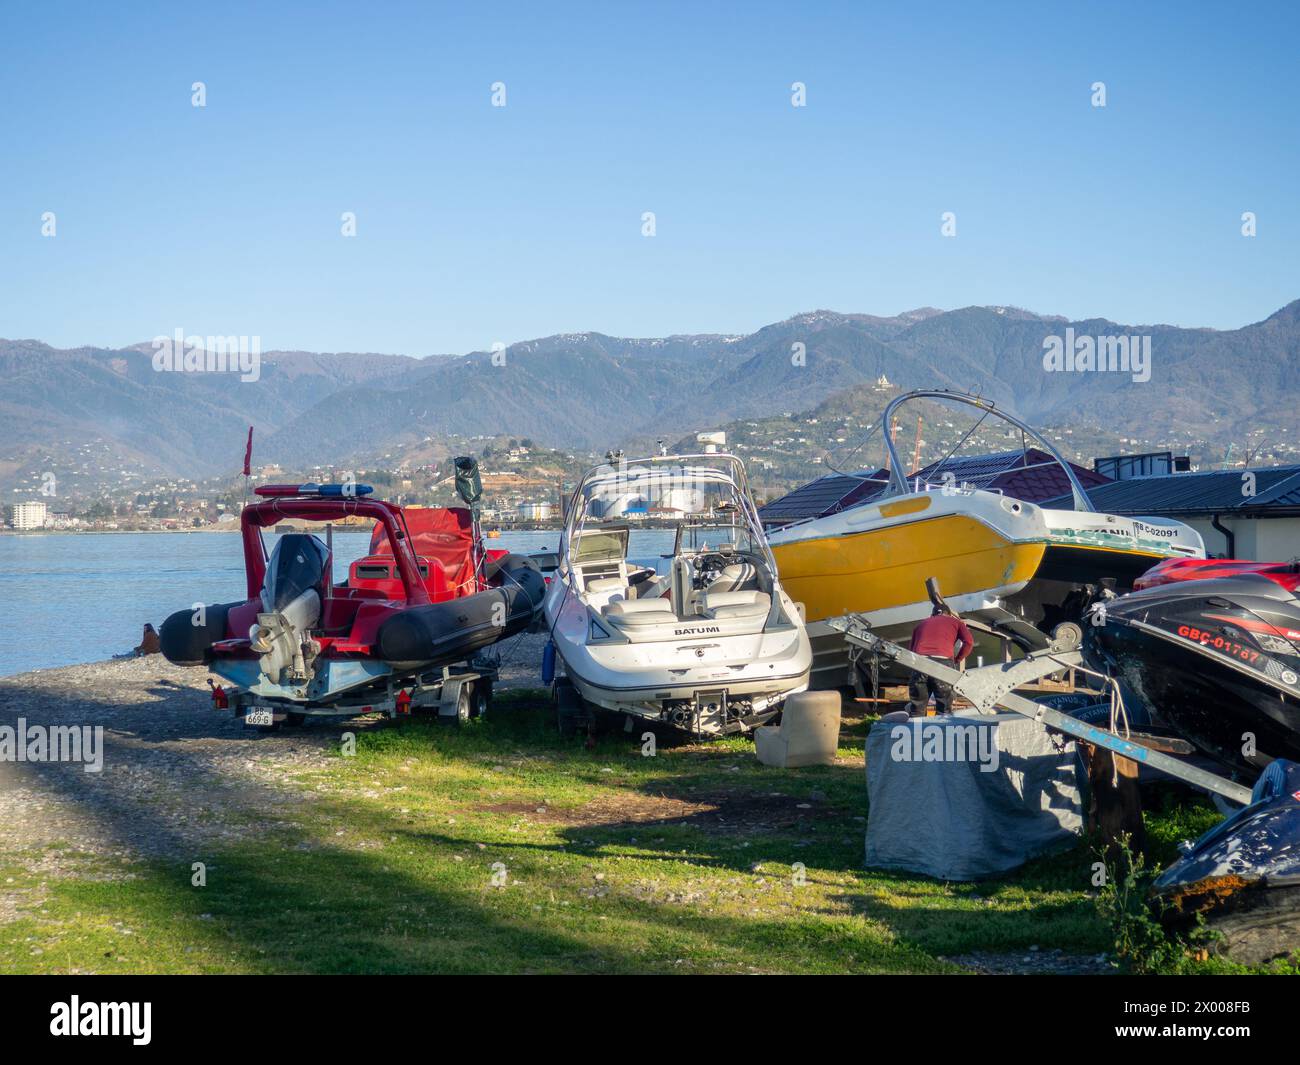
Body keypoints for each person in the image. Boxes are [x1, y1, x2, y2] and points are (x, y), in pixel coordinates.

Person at [906, 604, 974, 715]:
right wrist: (957, 659)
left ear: (932, 614)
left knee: (917, 709)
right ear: (949, 614)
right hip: (943, 663)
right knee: (944, 710)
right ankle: (942, 731)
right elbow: (969, 642)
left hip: (920, 663)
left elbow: (911, 651)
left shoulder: (920, 625)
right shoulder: (956, 622)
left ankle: (916, 730)